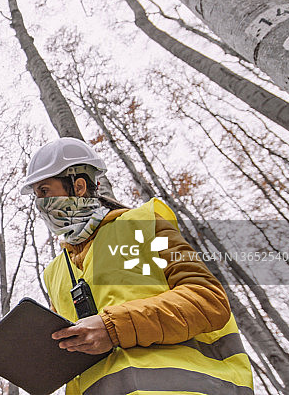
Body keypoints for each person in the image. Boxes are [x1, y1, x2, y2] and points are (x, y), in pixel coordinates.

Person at [23, 137, 253, 394]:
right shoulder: (54, 273)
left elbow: (209, 301)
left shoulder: (142, 224)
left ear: (78, 187)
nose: (39, 204)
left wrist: (114, 328)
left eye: (44, 191)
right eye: (36, 195)